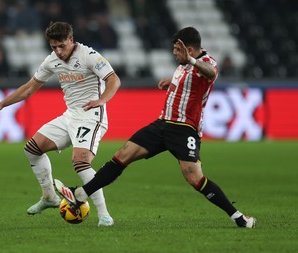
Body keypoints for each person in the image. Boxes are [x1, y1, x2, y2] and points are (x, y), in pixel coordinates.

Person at [55, 27, 257, 228]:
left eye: (177, 50)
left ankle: (238, 217)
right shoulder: (183, 66)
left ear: (190, 50)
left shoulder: (206, 62)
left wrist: (192, 61)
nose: (174, 53)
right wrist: (172, 82)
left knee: (195, 178)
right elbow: (189, 83)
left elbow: (211, 73)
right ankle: (80, 194)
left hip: (184, 128)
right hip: (162, 124)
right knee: (122, 155)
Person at [0, 21, 121, 226]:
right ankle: (49, 197)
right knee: (32, 149)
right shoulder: (51, 61)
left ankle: (104, 215)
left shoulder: (89, 55)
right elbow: (29, 88)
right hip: (70, 116)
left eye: (62, 46)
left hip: (91, 115)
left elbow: (114, 80)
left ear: (71, 40)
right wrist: (2, 104)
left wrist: (101, 100)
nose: (58, 51)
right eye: (53, 47)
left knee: (80, 161)